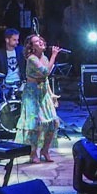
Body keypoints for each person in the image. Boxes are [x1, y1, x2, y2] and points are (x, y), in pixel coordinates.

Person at [15, 34, 63, 162]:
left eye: (41, 40)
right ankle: (33, 153)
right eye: (37, 41)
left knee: (54, 122)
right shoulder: (31, 58)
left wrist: (51, 94)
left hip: (43, 93)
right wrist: (54, 55)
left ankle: (45, 150)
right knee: (35, 125)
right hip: (32, 94)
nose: (40, 42)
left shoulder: (45, 58)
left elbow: (45, 78)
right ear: (32, 46)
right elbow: (45, 72)